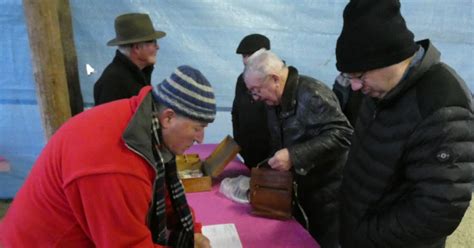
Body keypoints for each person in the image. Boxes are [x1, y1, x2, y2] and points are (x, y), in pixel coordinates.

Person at [0, 65, 214, 248]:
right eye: (197, 128)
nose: (201, 139)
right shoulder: (117, 164)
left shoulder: (143, 128)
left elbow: (162, 192)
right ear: (168, 117)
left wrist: (191, 233)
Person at [335, 0, 474, 247]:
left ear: (390, 59)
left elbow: (438, 210)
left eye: (359, 76)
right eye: (349, 77)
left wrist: (366, 234)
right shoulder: (379, 88)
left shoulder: (442, 106)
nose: (355, 86)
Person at [244, 49, 353, 247]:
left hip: (327, 197)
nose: (255, 97)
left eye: (256, 90)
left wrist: (294, 155)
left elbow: (344, 134)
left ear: (275, 79)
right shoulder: (274, 99)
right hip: (299, 192)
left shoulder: (313, 94)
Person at [93, 13, 166, 105]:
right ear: (137, 48)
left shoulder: (139, 73)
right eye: (153, 42)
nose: (158, 47)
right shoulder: (113, 82)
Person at [232, 33, 272, 168]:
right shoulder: (241, 80)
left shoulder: (274, 79)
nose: (246, 60)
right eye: (244, 56)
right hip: (248, 148)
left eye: (249, 55)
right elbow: (236, 111)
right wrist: (238, 141)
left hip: (271, 151)